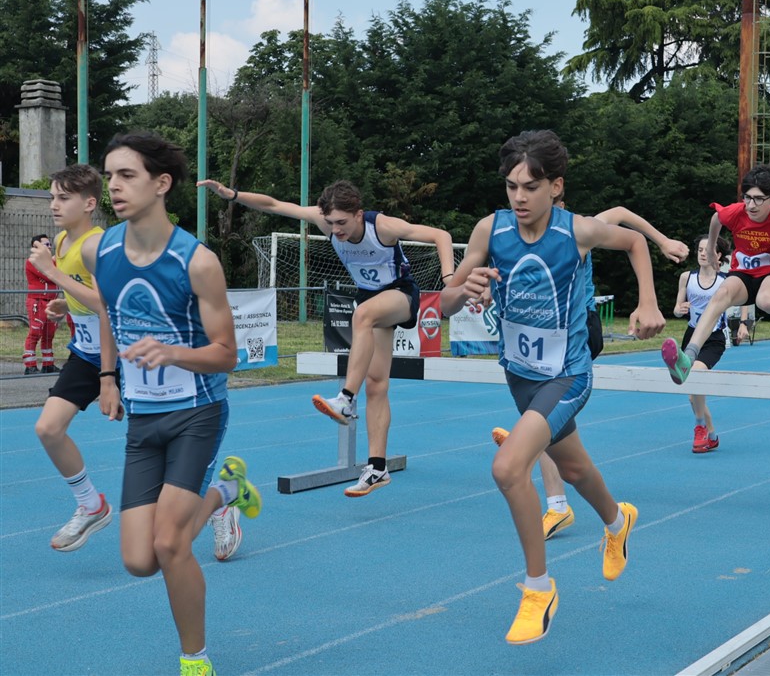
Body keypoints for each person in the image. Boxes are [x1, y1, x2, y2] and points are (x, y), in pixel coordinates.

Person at [441, 129, 664, 645]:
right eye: (511, 187)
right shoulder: (489, 230)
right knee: (575, 468)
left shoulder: (577, 231)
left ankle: (538, 589)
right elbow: (446, 303)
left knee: (507, 467)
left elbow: (634, 241)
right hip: (520, 375)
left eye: (531, 187)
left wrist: (648, 301)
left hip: (568, 375)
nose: (519, 198)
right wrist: (462, 288)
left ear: (555, 186)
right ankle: (618, 521)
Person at [91, 133, 262, 676]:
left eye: (127, 175)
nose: (114, 186)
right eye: (110, 176)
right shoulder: (102, 251)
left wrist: (172, 353)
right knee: (138, 560)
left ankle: (195, 661)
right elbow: (108, 312)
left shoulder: (198, 261)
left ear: (161, 183)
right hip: (143, 421)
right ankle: (226, 492)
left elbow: (227, 355)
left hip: (196, 415)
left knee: (169, 545)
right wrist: (108, 376)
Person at [198, 177, 454, 498]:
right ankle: (377, 467)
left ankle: (346, 399)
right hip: (370, 298)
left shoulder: (382, 227)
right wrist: (232, 194)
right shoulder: (325, 221)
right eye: (331, 223)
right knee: (377, 384)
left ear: (358, 214)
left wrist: (449, 278)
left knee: (362, 314)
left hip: (400, 294)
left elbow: (441, 235)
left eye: (342, 223)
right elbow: (275, 205)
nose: (336, 230)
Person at [492, 200, 688, 539]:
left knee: (544, 409)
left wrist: (662, 241)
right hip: (539, 342)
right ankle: (579, 506)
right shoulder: (515, 236)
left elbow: (622, 215)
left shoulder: (577, 228)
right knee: (553, 428)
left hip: (578, 331)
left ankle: (544, 477)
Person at [662, 164, 770, 384]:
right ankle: (688, 359)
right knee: (721, 295)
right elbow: (716, 219)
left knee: (766, 301)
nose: (751, 205)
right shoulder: (737, 211)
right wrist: (711, 248)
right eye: (747, 197)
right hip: (744, 272)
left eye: (758, 199)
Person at [24, 167, 114, 551]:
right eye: (52, 197)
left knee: (164, 442)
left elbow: (106, 305)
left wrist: (51, 273)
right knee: (48, 428)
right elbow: (84, 293)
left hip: (121, 356)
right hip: (86, 353)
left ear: (89, 203)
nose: (54, 205)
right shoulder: (61, 240)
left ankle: (218, 501)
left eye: (63, 198)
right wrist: (66, 303)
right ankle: (90, 504)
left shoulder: (97, 245)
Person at [672, 234, 732, 453]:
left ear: (718, 255)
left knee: (696, 379)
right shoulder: (686, 278)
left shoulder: (726, 281)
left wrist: (744, 323)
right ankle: (712, 434)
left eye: (708, 250)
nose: (703, 254)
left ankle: (699, 428)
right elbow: (677, 308)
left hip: (713, 339)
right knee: (693, 395)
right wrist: (679, 310)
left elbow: (743, 301)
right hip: (691, 337)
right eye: (699, 250)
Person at [24, 234, 61, 374]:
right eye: (46, 244)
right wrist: (57, 264)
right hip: (38, 301)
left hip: (51, 302)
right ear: (36, 246)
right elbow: (50, 275)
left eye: (50, 244)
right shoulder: (33, 261)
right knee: (35, 332)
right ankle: (30, 365)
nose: (50, 247)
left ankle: (48, 364)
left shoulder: (51, 262)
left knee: (49, 334)